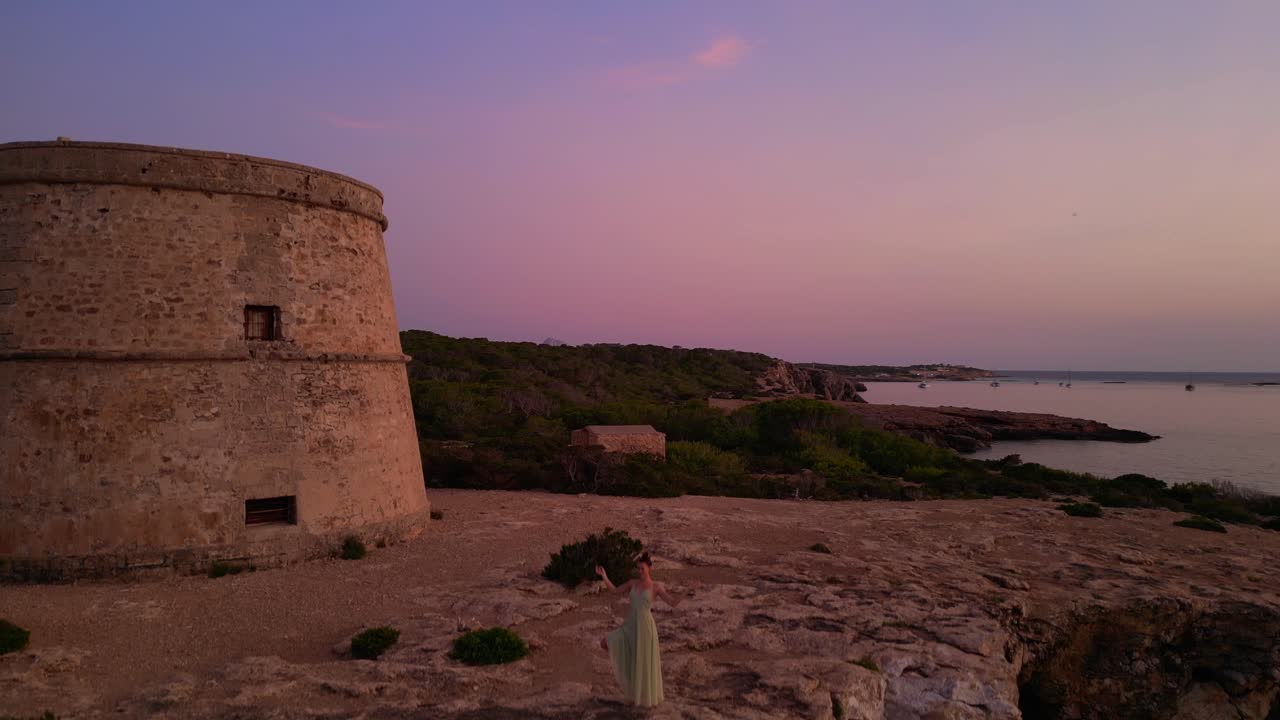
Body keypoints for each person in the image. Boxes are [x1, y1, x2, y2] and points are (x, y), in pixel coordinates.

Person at [595, 553, 682, 707]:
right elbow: (614, 590)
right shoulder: (632, 583)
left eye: (642, 568)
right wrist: (604, 576)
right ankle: (633, 688)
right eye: (638, 568)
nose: (640, 571)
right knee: (605, 642)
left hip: (646, 628)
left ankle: (644, 698)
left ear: (650, 568)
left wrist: (688, 591)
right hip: (630, 625)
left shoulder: (656, 587)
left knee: (644, 661)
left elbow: (673, 602)